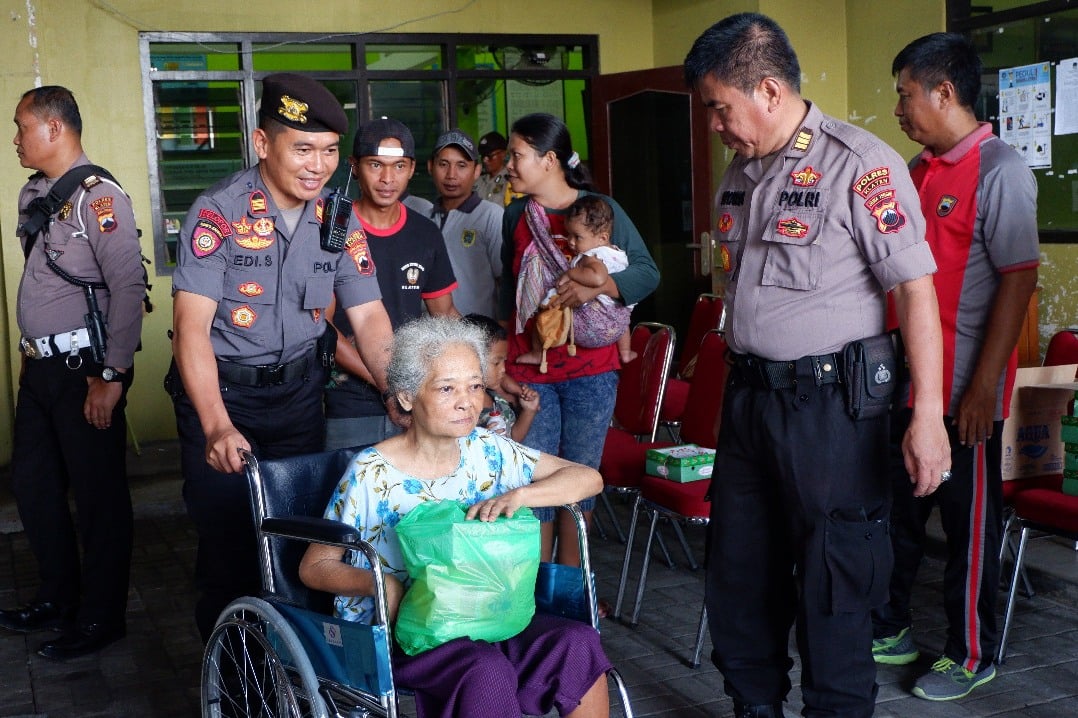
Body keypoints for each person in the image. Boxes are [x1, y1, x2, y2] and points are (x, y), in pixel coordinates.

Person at [683, 14, 951, 718]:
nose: (714, 124)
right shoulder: (740, 173)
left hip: (830, 411)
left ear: (768, 89)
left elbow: (916, 290)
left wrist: (927, 415)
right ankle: (755, 707)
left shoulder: (859, 163)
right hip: (749, 405)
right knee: (740, 576)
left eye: (719, 107)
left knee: (834, 586)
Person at [168, 73, 394, 641]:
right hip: (223, 395)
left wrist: (401, 389)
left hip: (297, 398)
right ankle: (235, 675)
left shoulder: (339, 220)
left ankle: (294, 663)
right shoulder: (217, 213)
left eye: (328, 151)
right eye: (303, 149)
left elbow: (367, 316)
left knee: (300, 540)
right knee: (230, 545)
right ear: (263, 144)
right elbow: (190, 330)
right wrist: (217, 425)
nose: (318, 165)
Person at [299, 315, 612, 718]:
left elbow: (589, 478)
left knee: (576, 642)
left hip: (494, 615)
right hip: (408, 631)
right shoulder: (370, 473)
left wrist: (522, 494)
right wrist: (388, 587)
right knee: (485, 669)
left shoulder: (490, 449)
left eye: (476, 386)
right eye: (447, 388)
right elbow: (315, 567)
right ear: (408, 396)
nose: (469, 402)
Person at [871, 33, 1040, 702]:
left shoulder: (1000, 171)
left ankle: (973, 652)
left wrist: (979, 389)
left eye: (905, 94)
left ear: (945, 92)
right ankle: (892, 628)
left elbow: (1018, 284)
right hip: (907, 382)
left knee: (969, 528)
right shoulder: (919, 169)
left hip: (967, 388)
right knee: (898, 514)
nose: (899, 109)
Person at [0, 86, 146, 660]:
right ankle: (58, 598)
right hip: (40, 370)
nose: (15, 139)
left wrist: (113, 376)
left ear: (55, 129)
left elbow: (129, 287)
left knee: (99, 496)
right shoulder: (36, 193)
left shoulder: (99, 197)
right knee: (33, 488)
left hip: (87, 369)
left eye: (21, 127)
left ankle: (101, 617)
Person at [498, 112, 659, 566]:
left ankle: (573, 591)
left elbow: (646, 272)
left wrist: (597, 286)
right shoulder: (516, 214)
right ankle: (536, 594)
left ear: (548, 159)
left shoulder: (600, 209)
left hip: (591, 374)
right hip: (533, 372)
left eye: (517, 155)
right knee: (533, 486)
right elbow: (507, 293)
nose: (509, 165)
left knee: (579, 482)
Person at [323, 117, 459, 451]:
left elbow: (446, 315)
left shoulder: (424, 233)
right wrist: (389, 387)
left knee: (416, 501)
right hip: (347, 403)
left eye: (398, 166)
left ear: (412, 168)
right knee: (350, 497)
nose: (387, 179)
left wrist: (476, 376)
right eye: (375, 165)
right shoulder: (331, 232)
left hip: (415, 400)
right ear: (354, 167)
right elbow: (320, 328)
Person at [516, 195, 636, 369]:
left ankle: (537, 353)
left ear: (602, 238)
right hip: (616, 328)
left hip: (592, 327)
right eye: (568, 235)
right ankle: (625, 352)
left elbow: (598, 278)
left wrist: (571, 273)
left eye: (577, 237)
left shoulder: (592, 257)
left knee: (543, 315)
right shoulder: (619, 254)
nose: (570, 242)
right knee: (624, 314)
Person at [426, 128, 505, 318]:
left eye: (462, 165)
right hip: (429, 336)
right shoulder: (423, 219)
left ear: (477, 170)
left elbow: (506, 282)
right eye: (443, 164)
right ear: (430, 167)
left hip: (479, 336)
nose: (451, 174)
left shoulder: (491, 216)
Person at [463, 313, 540, 442]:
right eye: (496, 363)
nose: (503, 369)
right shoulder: (461, 410)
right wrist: (481, 441)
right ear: (470, 359)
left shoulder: (497, 400)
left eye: (504, 361)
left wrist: (529, 411)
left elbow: (513, 440)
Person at [474, 130, 519, 206]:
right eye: (483, 156)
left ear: (503, 154)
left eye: (490, 156)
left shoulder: (512, 180)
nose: (485, 160)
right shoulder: (477, 181)